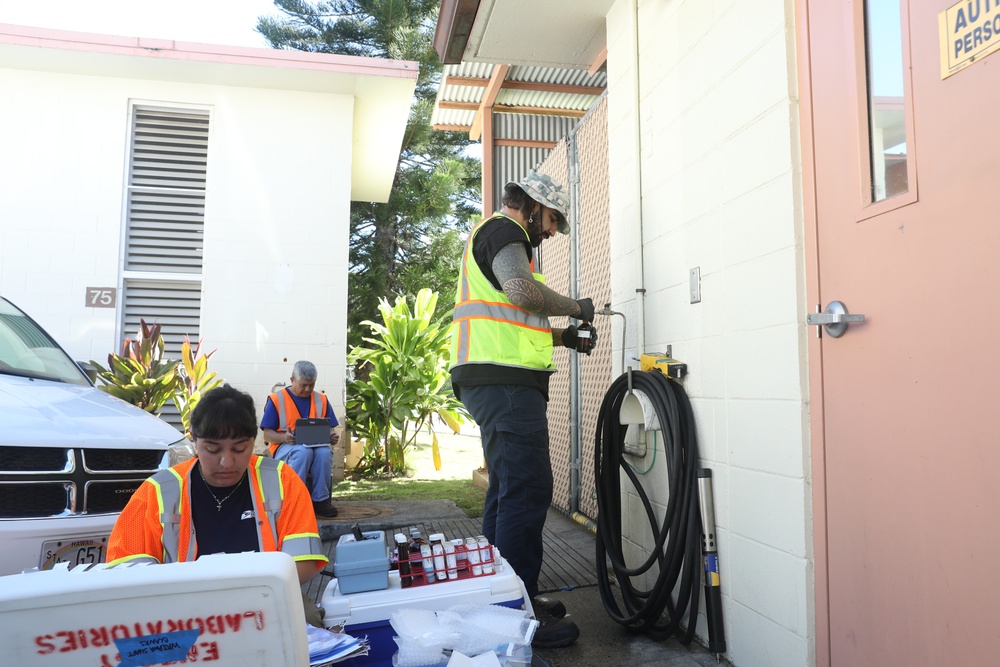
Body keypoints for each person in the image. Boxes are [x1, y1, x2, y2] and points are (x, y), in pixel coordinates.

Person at [448, 169, 598, 649]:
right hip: (504, 383)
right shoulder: (505, 231)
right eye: (553, 219)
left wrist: (562, 338)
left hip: (496, 380)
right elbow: (522, 294)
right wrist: (577, 309)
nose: (553, 231)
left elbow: (512, 318)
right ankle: (518, 615)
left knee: (507, 491)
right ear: (532, 205)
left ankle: (502, 597)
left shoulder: (496, 238)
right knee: (528, 491)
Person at [107, 384, 329, 626]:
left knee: (306, 618)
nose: (227, 462)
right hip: (179, 612)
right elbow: (126, 573)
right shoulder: (157, 491)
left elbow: (304, 562)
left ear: (254, 441)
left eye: (240, 448)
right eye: (212, 449)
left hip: (265, 600)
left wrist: (240, 601)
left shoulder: (282, 479)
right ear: (193, 439)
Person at [260, 361, 340, 519]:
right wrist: (284, 437)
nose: (308, 389)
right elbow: (267, 434)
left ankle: (320, 501)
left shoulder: (321, 399)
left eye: (312, 385)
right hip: (284, 447)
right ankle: (294, 501)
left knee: (324, 453)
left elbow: (330, 426)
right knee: (303, 452)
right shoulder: (277, 400)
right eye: (304, 385)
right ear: (292, 380)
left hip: (315, 446)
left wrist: (332, 435)